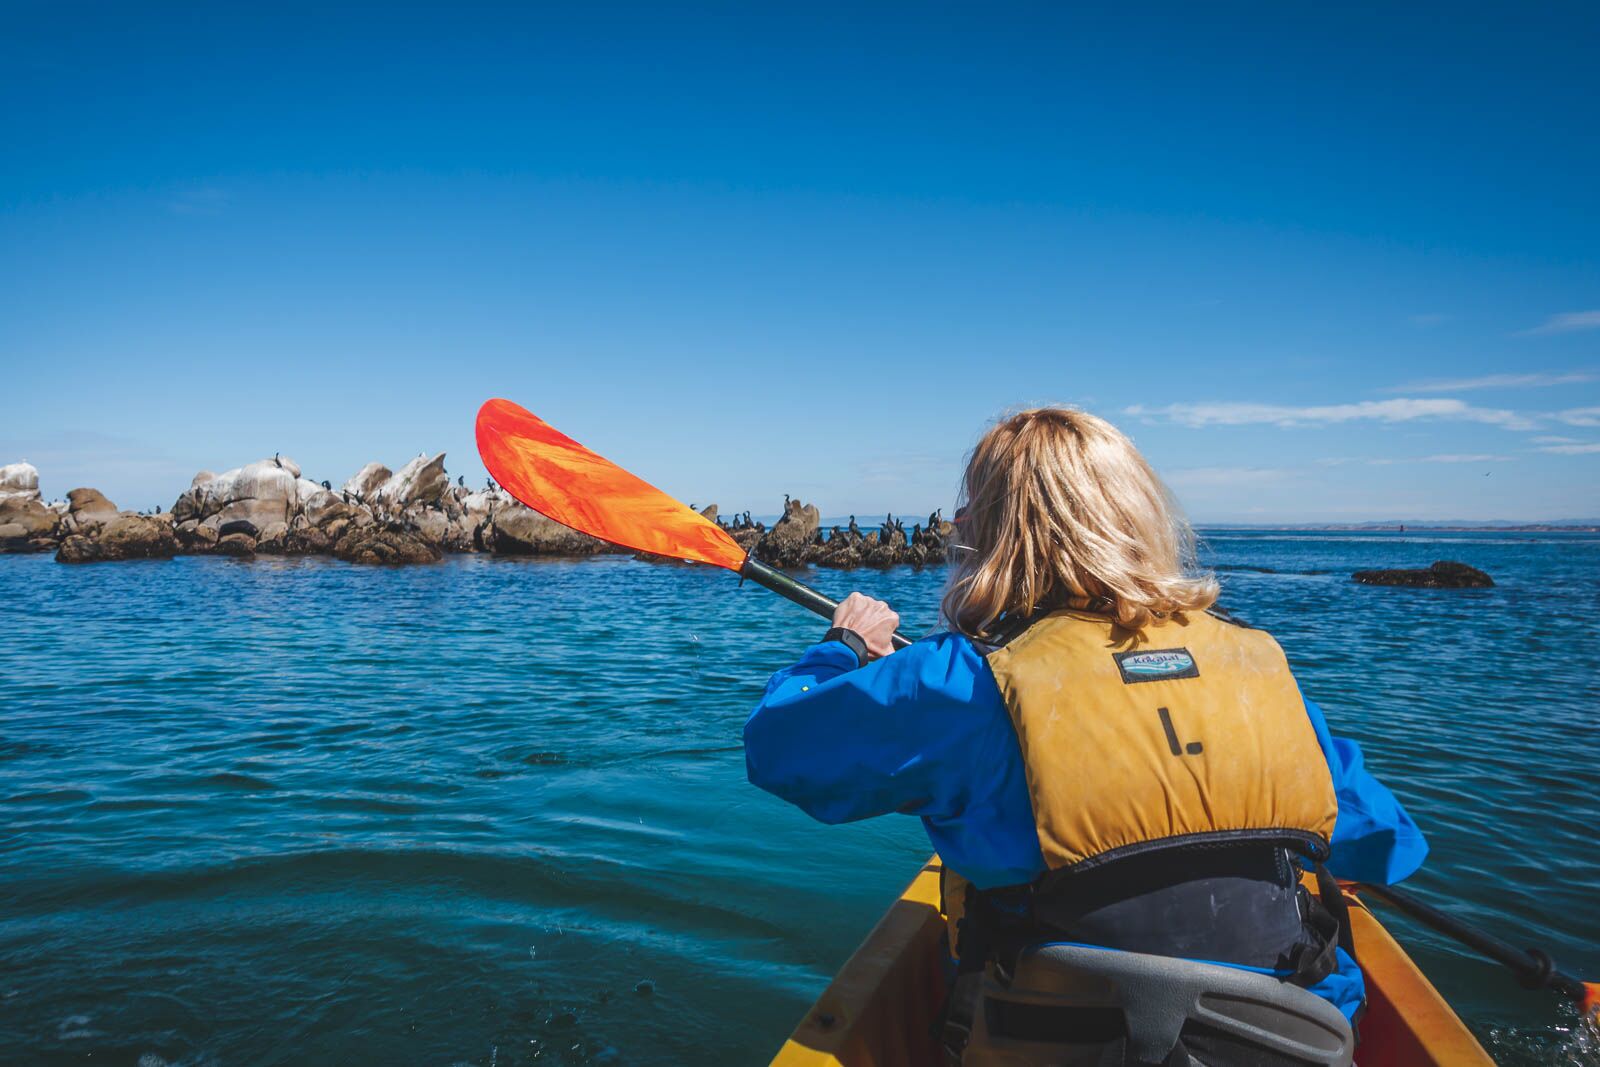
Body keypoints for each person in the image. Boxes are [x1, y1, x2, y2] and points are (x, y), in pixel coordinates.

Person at [743, 407, 1425, 1050]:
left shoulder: (957, 679)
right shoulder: (1257, 664)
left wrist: (845, 648)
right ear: (1137, 517)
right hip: (1281, 1041)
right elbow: (1389, 844)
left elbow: (777, 747)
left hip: (1057, 1045)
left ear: (981, 529)